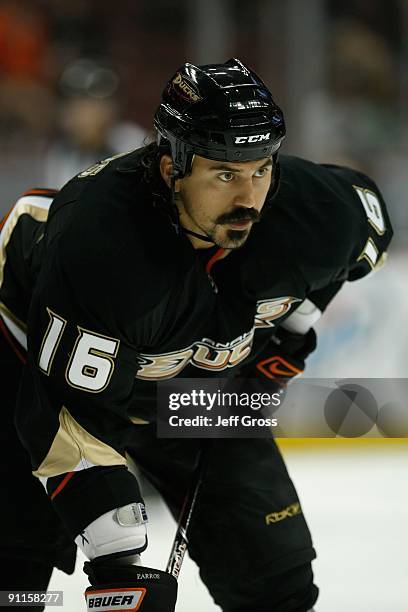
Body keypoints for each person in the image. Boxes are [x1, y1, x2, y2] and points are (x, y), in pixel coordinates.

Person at [0, 58, 392, 612]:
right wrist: (117, 568)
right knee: (16, 576)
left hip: (189, 387)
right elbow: (67, 415)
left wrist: (292, 333)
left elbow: (367, 232)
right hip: (30, 357)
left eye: (261, 169)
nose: (250, 198)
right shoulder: (104, 247)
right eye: (225, 174)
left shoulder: (311, 211)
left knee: (276, 579)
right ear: (170, 169)